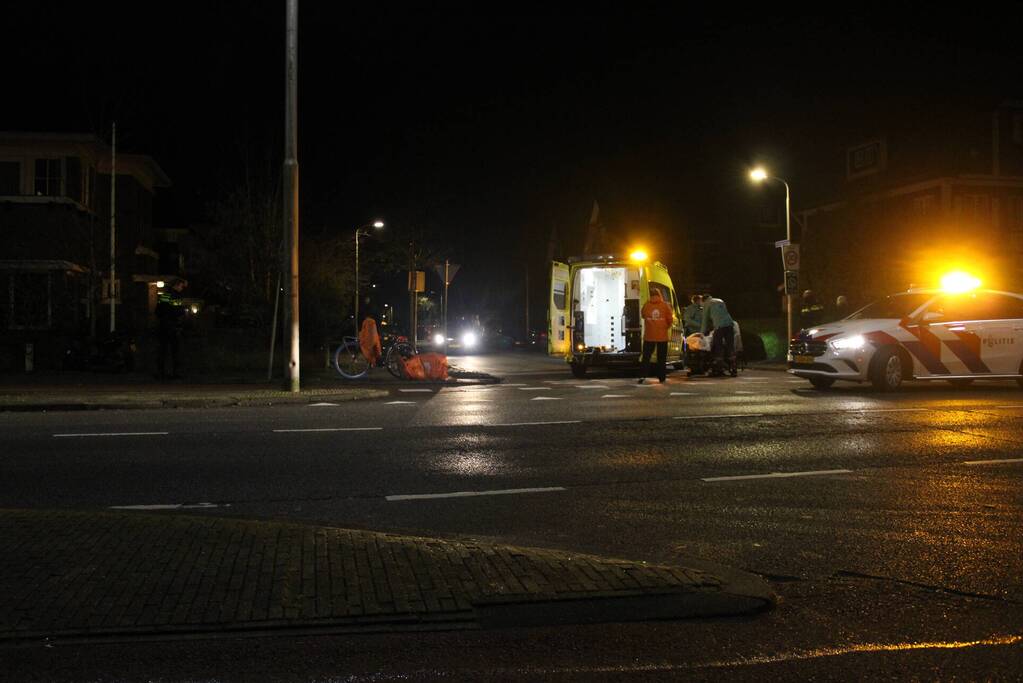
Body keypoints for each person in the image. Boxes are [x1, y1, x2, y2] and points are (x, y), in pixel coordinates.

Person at [637, 287, 673, 384]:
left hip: (649, 335)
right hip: (662, 336)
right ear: (659, 294)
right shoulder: (665, 305)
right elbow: (670, 319)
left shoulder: (647, 305)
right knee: (661, 358)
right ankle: (661, 377)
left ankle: (642, 375)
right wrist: (665, 327)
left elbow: (643, 315)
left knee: (646, 357)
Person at [155, 278, 187, 379]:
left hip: (163, 326)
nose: (182, 288)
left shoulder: (164, 295)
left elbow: (158, 311)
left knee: (163, 350)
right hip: (173, 326)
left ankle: (161, 373)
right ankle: (175, 373)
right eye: (181, 286)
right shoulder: (176, 296)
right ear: (177, 285)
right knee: (175, 350)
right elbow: (179, 311)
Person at [701, 293, 736, 377]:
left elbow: (705, 319)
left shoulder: (707, 303)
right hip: (729, 325)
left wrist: (702, 333)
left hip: (719, 327)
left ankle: (719, 368)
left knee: (718, 346)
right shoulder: (720, 300)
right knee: (730, 346)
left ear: (704, 300)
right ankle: (733, 368)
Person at [682, 294, 705, 376]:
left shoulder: (701, 309)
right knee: (692, 351)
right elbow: (687, 319)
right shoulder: (691, 308)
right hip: (692, 332)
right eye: (701, 300)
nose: (702, 302)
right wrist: (699, 325)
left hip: (698, 332)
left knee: (698, 351)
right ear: (697, 300)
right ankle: (692, 367)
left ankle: (698, 368)